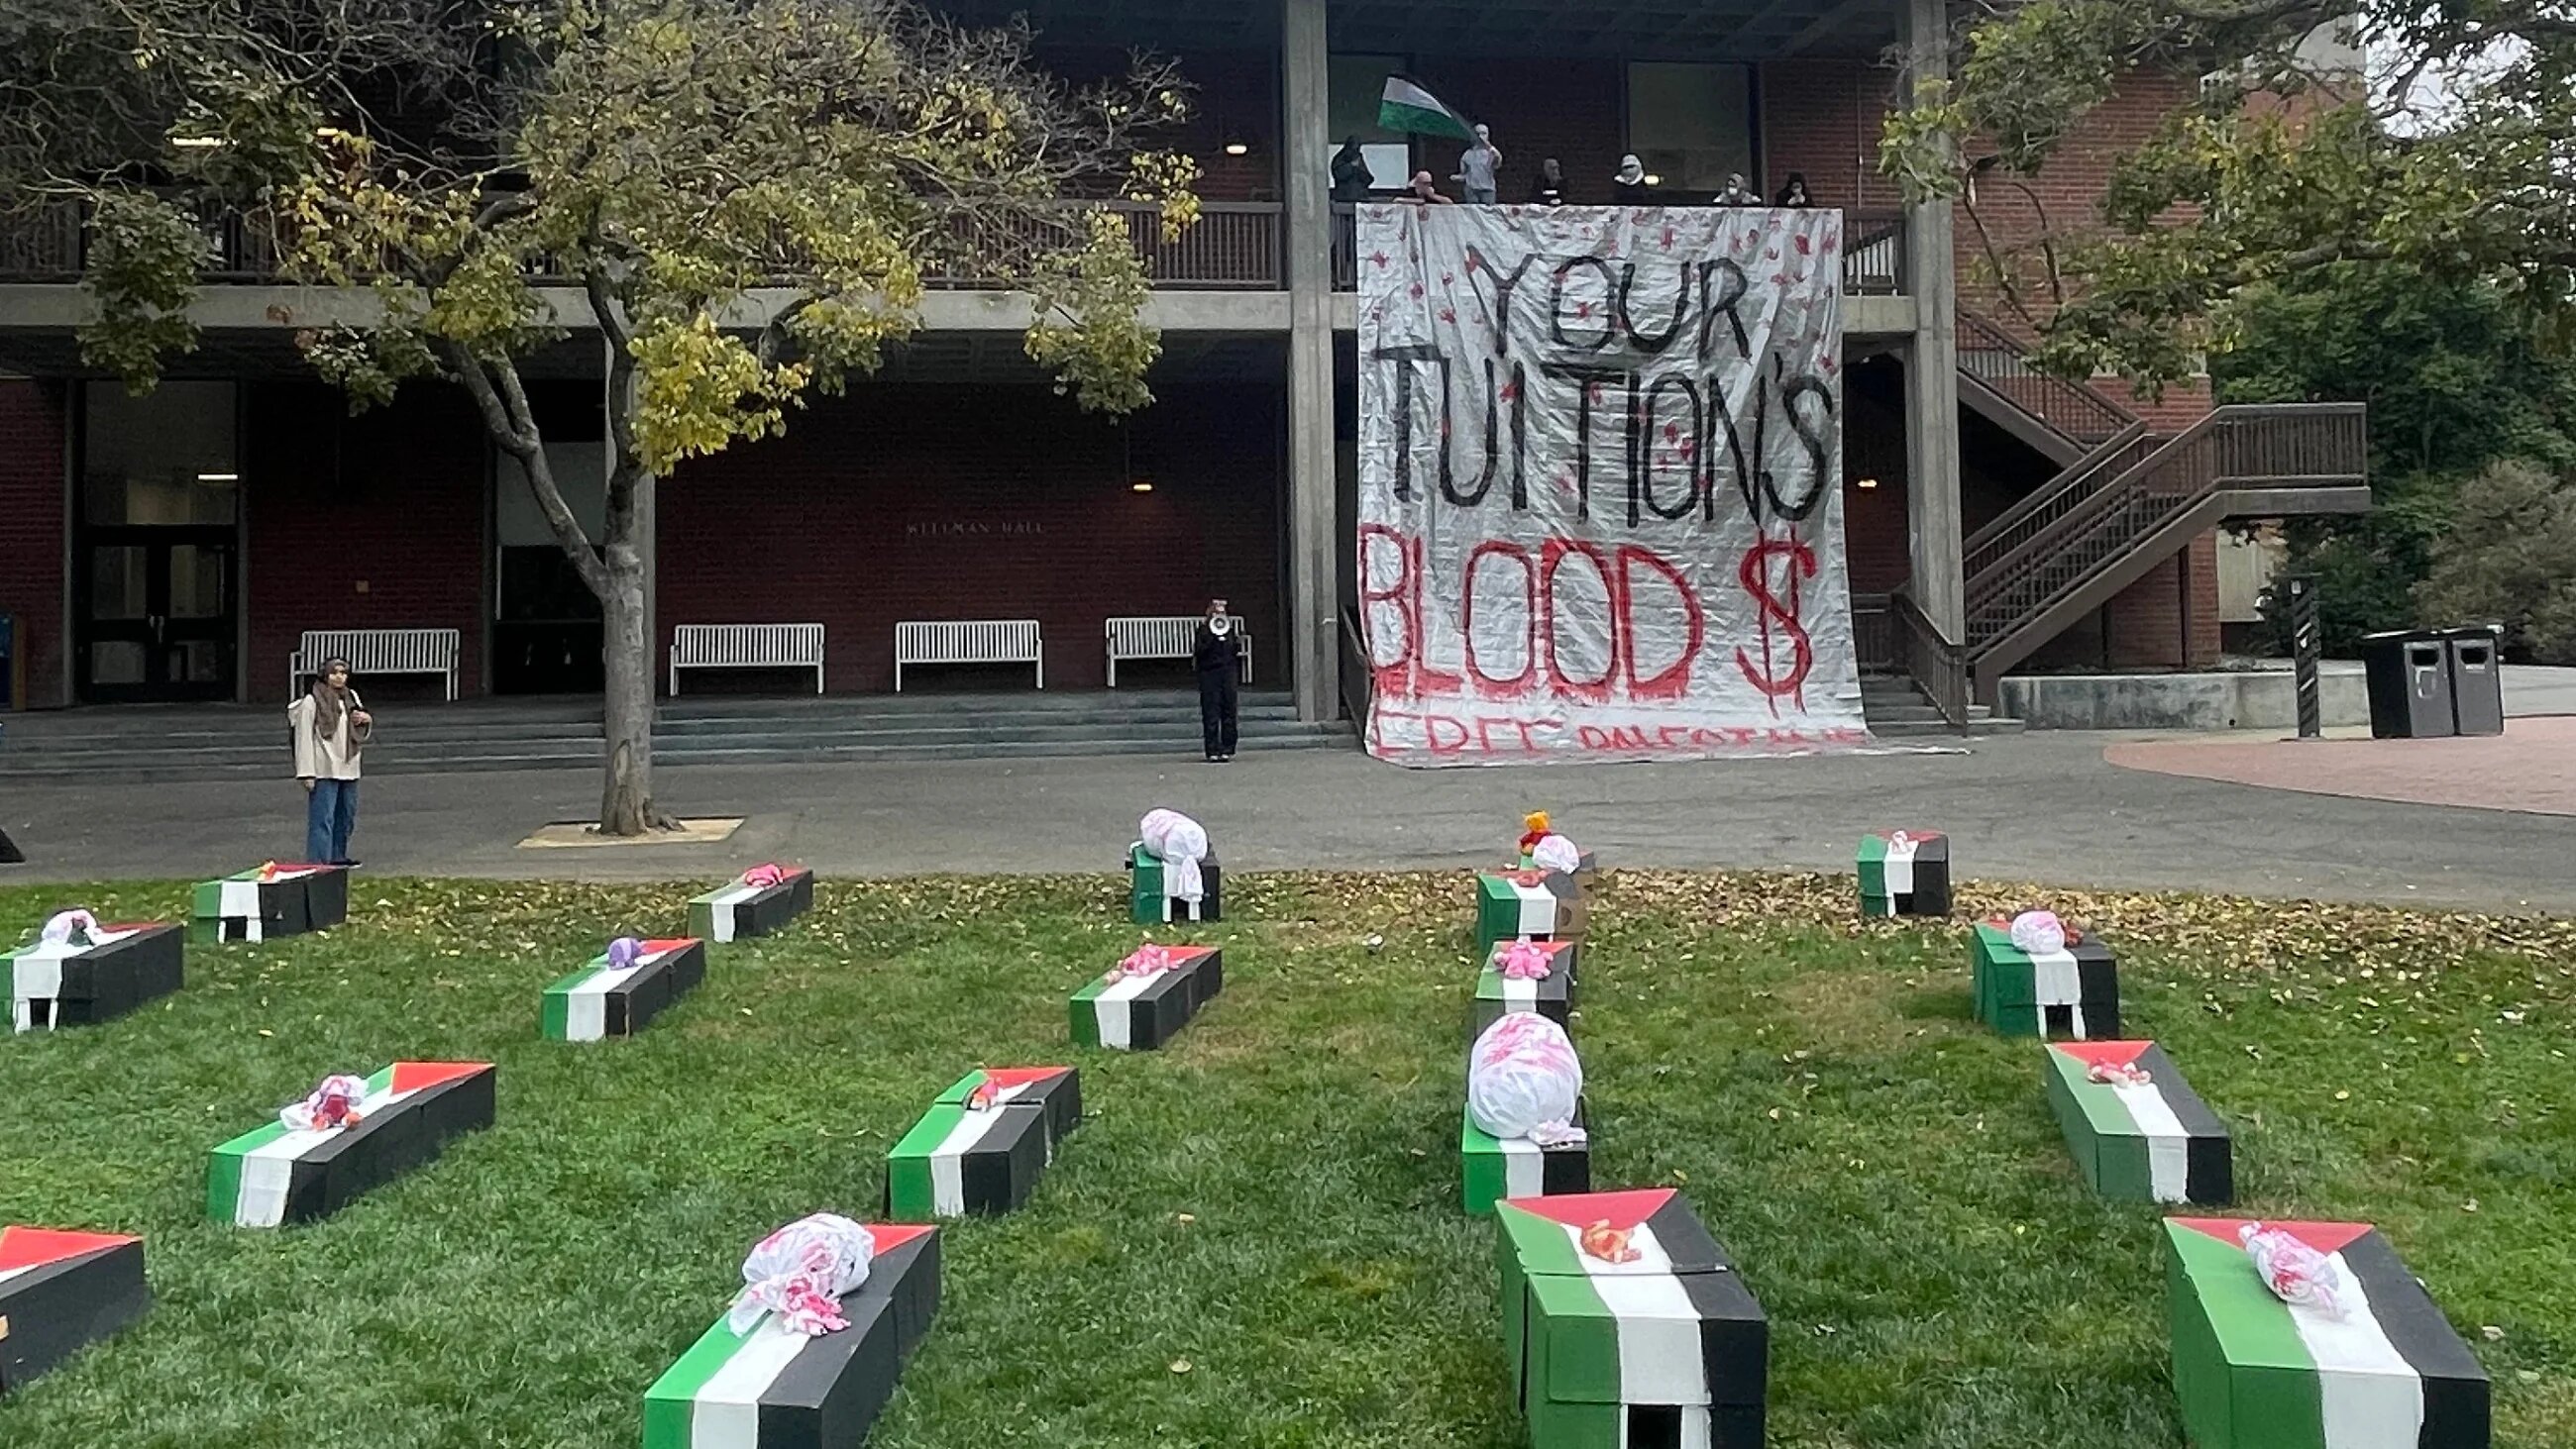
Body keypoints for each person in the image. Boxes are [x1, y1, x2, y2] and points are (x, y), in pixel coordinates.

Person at [289, 658, 372, 866]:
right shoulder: (312, 700)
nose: (339, 677)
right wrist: (306, 772)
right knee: (323, 818)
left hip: (348, 764)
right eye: (334, 673)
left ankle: (337, 856)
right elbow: (304, 737)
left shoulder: (351, 697)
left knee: (346, 816)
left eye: (343, 673)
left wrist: (365, 721)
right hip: (324, 766)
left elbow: (357, 728)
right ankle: (319, 861)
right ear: (325, 675)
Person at [1193, 600, 1241, 764]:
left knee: (1229, 710)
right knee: (1211, 711)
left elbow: (1234, 649)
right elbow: (1200, 652)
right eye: (1216, 613)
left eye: (1222, 613)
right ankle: (1212, 749)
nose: (1219, 616)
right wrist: (1212, 638)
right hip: (1210, 674)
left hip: (1227, 673)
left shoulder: (1229, 630)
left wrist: (1227, 638)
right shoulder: (1204, 631)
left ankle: (1227, 747)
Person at [1451, 123, 1500, 204]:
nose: (1480, 136)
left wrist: (1489, 147)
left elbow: (1497, 162)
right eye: (1477, 134)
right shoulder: (1468, 154)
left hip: (1487, 190)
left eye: (1483, 133)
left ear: (1488, 135)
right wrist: (1458, 177)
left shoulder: (1491, 153)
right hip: (1472, 190)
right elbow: (1464, 173)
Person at [1330, 136, 1371, 203]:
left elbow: (1367, 177)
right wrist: (1351, 166)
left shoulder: (1358, 158)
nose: (1355, 150)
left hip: (1360, 197)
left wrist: (1361, 173)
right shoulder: (1340, 158)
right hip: (1344, 197)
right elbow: (1338, 174)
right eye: (1354, 147)